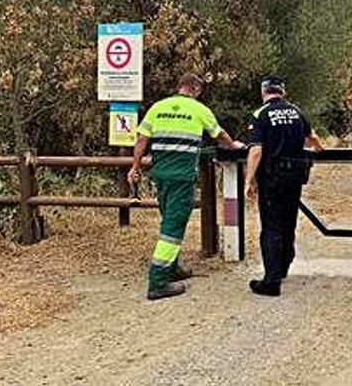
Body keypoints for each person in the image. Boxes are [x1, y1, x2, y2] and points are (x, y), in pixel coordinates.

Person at [128, 73, 244, 301]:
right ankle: (158, 281)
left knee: (168, 218)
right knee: (173, 226)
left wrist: (135, 166)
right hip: (182, 176)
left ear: (179, 87)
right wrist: (233, 145)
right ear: (196, 90)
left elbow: (141, 139)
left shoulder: (157, 107)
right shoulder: (199, 110)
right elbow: (219, 134)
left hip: (160, 175)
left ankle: (172, 268)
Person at [244, 75, 324, 297]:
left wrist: (249, 180)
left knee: (271, 226)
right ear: (283, 92)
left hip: (272, 178)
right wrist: (320, 150)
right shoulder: (297, 112)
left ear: (264, 92)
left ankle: (271, 281)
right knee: (289, 222)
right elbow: (313, 140)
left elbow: (256, 150)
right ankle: (284, 266)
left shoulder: (260, 114)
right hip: (295, 176)